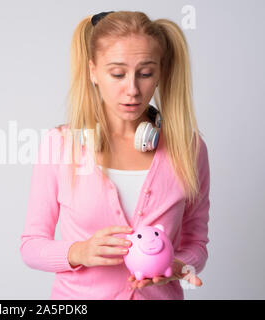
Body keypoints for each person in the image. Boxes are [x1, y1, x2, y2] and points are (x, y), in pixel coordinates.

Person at [19, 11, 210, 300]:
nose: (132, 89)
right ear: (93, 71)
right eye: (117, 74)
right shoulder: (59, 145)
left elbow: (197, 244)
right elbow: (30, 247)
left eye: (145, 73)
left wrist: (179, 266)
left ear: (160, 73)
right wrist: (78, 252)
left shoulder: (190, 149)